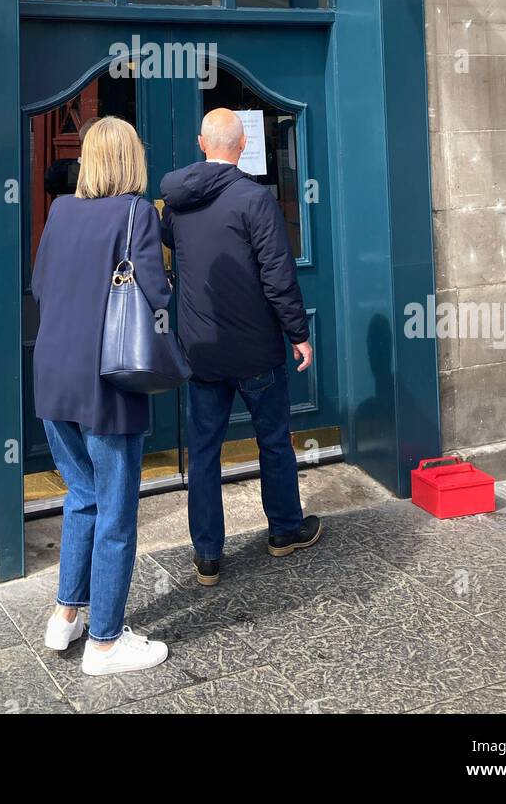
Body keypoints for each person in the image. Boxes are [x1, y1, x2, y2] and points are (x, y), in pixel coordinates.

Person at [32, 116, 172, 675]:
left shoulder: (61, 211)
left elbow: (40, 285)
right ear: (131, 159)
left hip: (53, 374)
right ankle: (106, 642)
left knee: (81, 496)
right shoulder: (137, 212)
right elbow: (155, 292)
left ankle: (65, 616)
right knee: (115, 510)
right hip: (107, 381)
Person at [160, 108, 321, 586]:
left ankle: (208, 555)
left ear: (200, 143)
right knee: (273, 441)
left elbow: (167, 242)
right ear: (244, 145)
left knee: (204, 451)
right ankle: (284, 531)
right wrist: (298, 334)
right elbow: (278, 276)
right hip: (255, 351)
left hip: (202, 351)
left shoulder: (178, 203)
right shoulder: (254, 199)